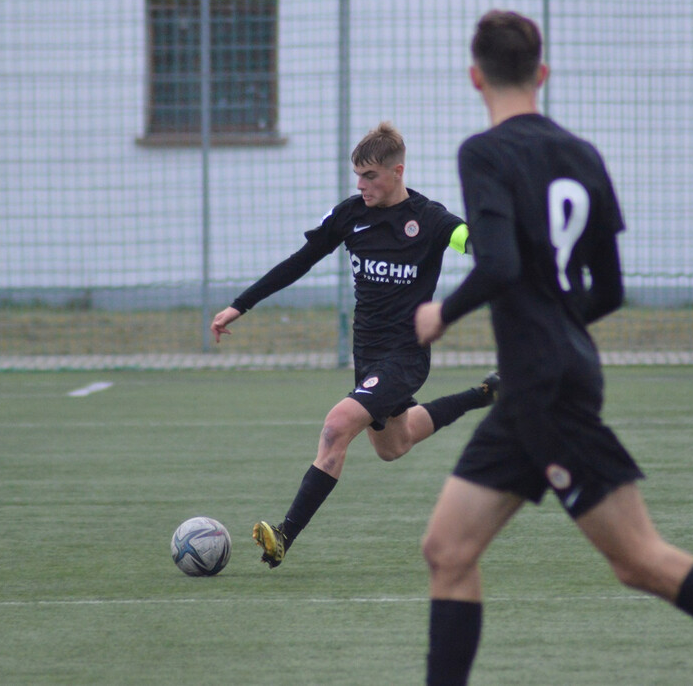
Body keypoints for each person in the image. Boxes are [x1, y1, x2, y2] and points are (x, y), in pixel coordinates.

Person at [414, 10, 693, 686]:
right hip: (547, 381)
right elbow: (610, 288)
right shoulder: (582, 154)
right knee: (447, 549)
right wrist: (559, 328)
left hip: (544, 391)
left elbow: (499, 263)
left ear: (474, 76)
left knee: (640, 560)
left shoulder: (485, 152)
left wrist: (441, 313)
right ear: (543, 73)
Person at [210, 121, 498, 569]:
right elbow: (299, 262)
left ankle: (285, 535)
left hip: (406, 357)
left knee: (337, 425)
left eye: (370, 177)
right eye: (358, 176)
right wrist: (239, 306)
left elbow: (476, 243)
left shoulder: (431, 220)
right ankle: (483, 394)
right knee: (393, 446)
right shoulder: (350, 215)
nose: (361, 185)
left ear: (397, 172)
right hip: (367, 356)